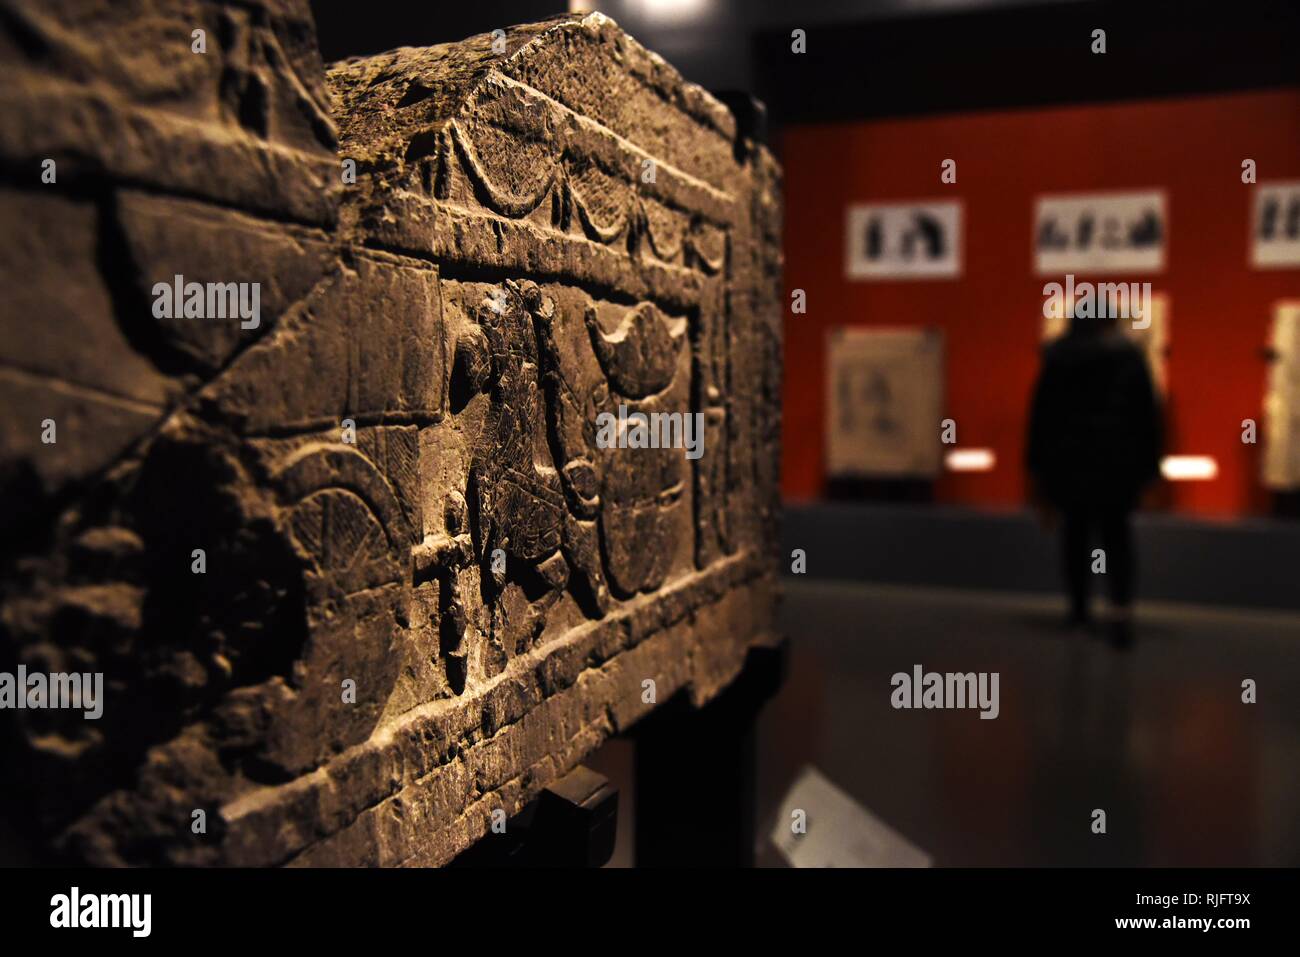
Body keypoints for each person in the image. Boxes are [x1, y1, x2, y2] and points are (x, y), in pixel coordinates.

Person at [1026, 307, 1163, 647]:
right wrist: (1149, 470)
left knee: (1076, 538)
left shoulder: (1057, 359)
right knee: (1116, 539)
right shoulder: (1129, 358)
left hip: (1070, 467)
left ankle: (1078, 613)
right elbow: (1146, 418)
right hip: (1117, 468)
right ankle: (1120, 611)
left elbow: (1041, 420)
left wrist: (1038, 472)